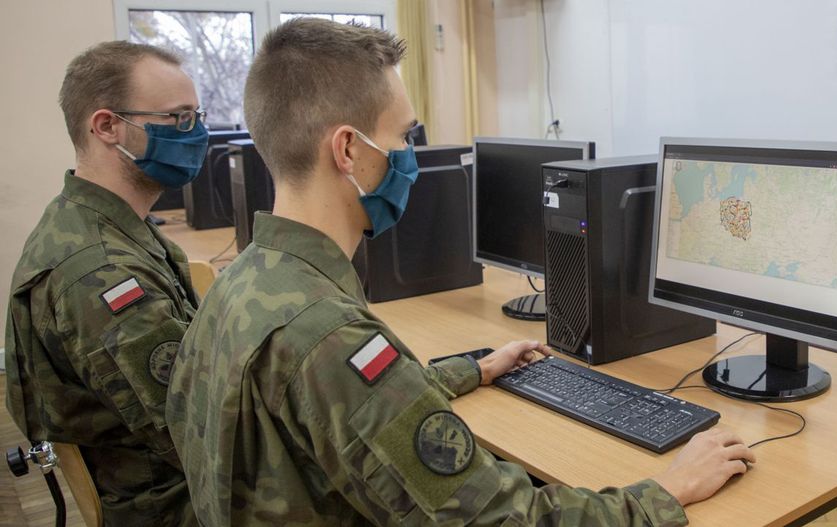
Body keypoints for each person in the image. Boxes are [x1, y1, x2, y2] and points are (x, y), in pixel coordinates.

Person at [166, 18, 755, 526]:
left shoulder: (245, 282)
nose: (410, 155)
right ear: (348, 150)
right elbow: (500, 518)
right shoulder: (328, 335)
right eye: (403, 135)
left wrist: (472, 369)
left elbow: (348, 405)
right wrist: (666, 491)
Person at [5, 41, 207, 525]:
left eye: (197, 116)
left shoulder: (98, 221)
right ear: (107, 126)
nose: (197, 133)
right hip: (174, 503)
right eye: (179, 118)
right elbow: (202, 432)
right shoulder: (101, 273)